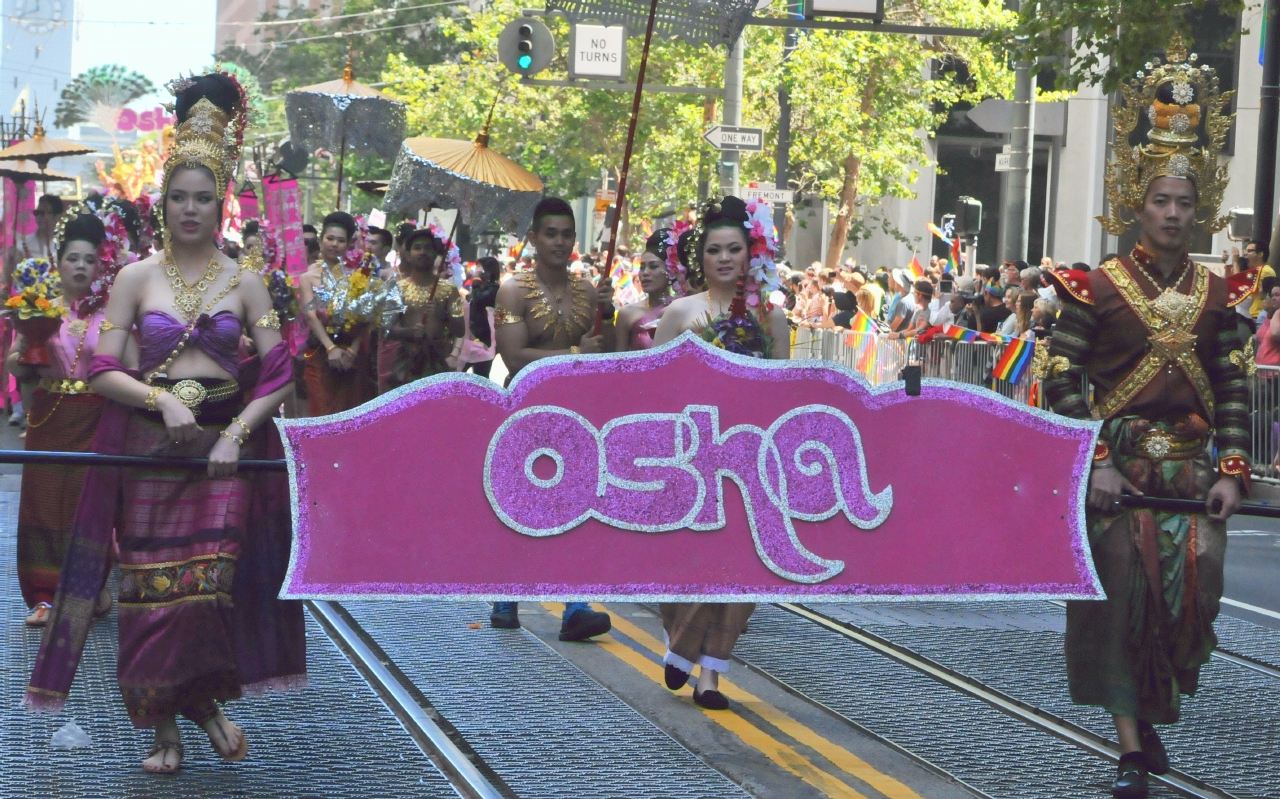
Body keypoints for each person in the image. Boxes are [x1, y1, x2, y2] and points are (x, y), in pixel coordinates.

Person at [26, 70, 304, 775]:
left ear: (221, 203)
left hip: (220, 453)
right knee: (150, 596)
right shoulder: (133, 279)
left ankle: (193, 711)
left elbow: (278, 371)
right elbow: (100, 367)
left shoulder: (245, 282)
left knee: (205, 591)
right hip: (148, 450)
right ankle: (176, 726)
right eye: (178, 196)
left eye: (203, 197)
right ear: (162, 203)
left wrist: (238, 433)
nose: (190, 208)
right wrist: (162, 400)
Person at [1043, 38, 1255, 799]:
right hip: (1118, 473)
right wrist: (1094, 459)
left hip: (1191, 475)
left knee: (1196, 591)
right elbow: (1059, 378)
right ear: (1139, 202)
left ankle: (1149, 704)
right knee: (1121, 597)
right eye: (1162, 201)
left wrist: (1233, 469)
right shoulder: (1091, 287)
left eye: (1186, 203)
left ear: (1201, 211)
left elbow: (1231, 387)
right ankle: (1130, 741)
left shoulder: (1223, 295)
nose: (1173, 213)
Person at [652, 196, 786, 710]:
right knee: (684, 559)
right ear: (700, 258)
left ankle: (709, 674)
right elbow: (653, 384)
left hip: (749, 457)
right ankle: (680, 642)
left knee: (740, 567)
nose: (725, 258)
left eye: (735, 249)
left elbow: (780, 388)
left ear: (752, 256)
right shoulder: (680, 313)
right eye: (714, 250)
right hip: (686, 455)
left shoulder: (770, 318)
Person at [490, 197, 614, 640]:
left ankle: (575, 604)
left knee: (580, 505)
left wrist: (609, 313)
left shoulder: (588, 291)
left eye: (567, 234)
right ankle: (506, 595)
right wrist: (577, 353)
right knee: (520, 503)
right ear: (533, 239)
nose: (559, 242)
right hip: (525, 410)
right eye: (551, 234)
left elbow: (608, 351)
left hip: (578, 414)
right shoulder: (513, 290)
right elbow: (514, 355)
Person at [9, 210, 123, 627]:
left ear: (100, 266)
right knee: (42, 505)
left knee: (87, 505)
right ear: (58, 263)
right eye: (72, 258)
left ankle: (88, 590)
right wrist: (27, 355)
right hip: (48, 413)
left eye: (89, 260)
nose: (80, 266)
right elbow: (15, 362)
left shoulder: (111, 310)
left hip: (96, 415)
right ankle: (43, 597)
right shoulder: (38, 305)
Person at [297, 211, 377, 415]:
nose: (334, 244)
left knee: (351, 417)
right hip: (319, 354)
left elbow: (366, 318)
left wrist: (352, 351)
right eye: (330, 238)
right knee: (322, 413)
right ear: (321, 240)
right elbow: (311, 315)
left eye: (340, 240)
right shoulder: (308, 277)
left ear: (348, 244)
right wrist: (331, 348)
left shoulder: (358, 276)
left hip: (352, 358)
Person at [381, 225, 464, 391]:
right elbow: (385, 331)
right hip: (406, 363)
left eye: (427, 248)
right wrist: (409, 332)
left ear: (435, 255)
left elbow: (460, 330)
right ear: (408, 255)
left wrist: (443, 316)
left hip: (437, 363)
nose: (422, 252)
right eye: (417, 248)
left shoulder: (449, 290)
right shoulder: (397, 288)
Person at [616, 227, 680, 351]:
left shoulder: (681, 309)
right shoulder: (627, 314)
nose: (645, 273)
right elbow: (620, 363)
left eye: (653, 266)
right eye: (642, 267)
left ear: (670, 270)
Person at [461, 256, 501, 378]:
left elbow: (479, 299)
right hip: (472, 335)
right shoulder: (481, 287)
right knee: (460, 369)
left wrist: (476, 281)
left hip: (485, 337)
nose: (476, 270)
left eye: (479, 267)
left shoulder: (494, 288)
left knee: (481, 374)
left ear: (488, 271)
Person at [1255, 278, 1280, 367]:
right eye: (1272, 295)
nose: (1273, 298)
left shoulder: (1277, 314)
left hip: (1275, 374)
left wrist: (1278, 311)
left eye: (1277, 295)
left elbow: (1276, 333)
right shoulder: (1269, 316)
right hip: (1262, 372)